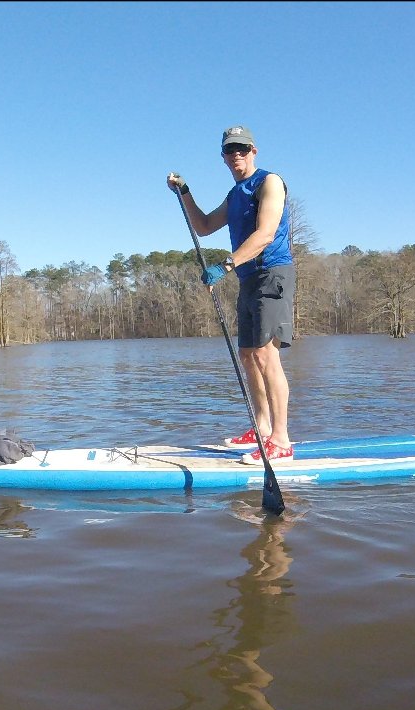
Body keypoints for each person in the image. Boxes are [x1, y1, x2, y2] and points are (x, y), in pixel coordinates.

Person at [167, 125, 296, 465]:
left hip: (272, 274)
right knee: (248, 356)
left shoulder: (270, 182)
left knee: (268, 357)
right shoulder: (235, 193)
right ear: (223, 157)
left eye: (242, 148)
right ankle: (262, 428)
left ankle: (281, 440)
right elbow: (205, 226)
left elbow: (266, 234)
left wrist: (225, 266)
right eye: (230, 150)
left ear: (254, 151)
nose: (236, 154)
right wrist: (185, 193)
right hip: (248, 277)